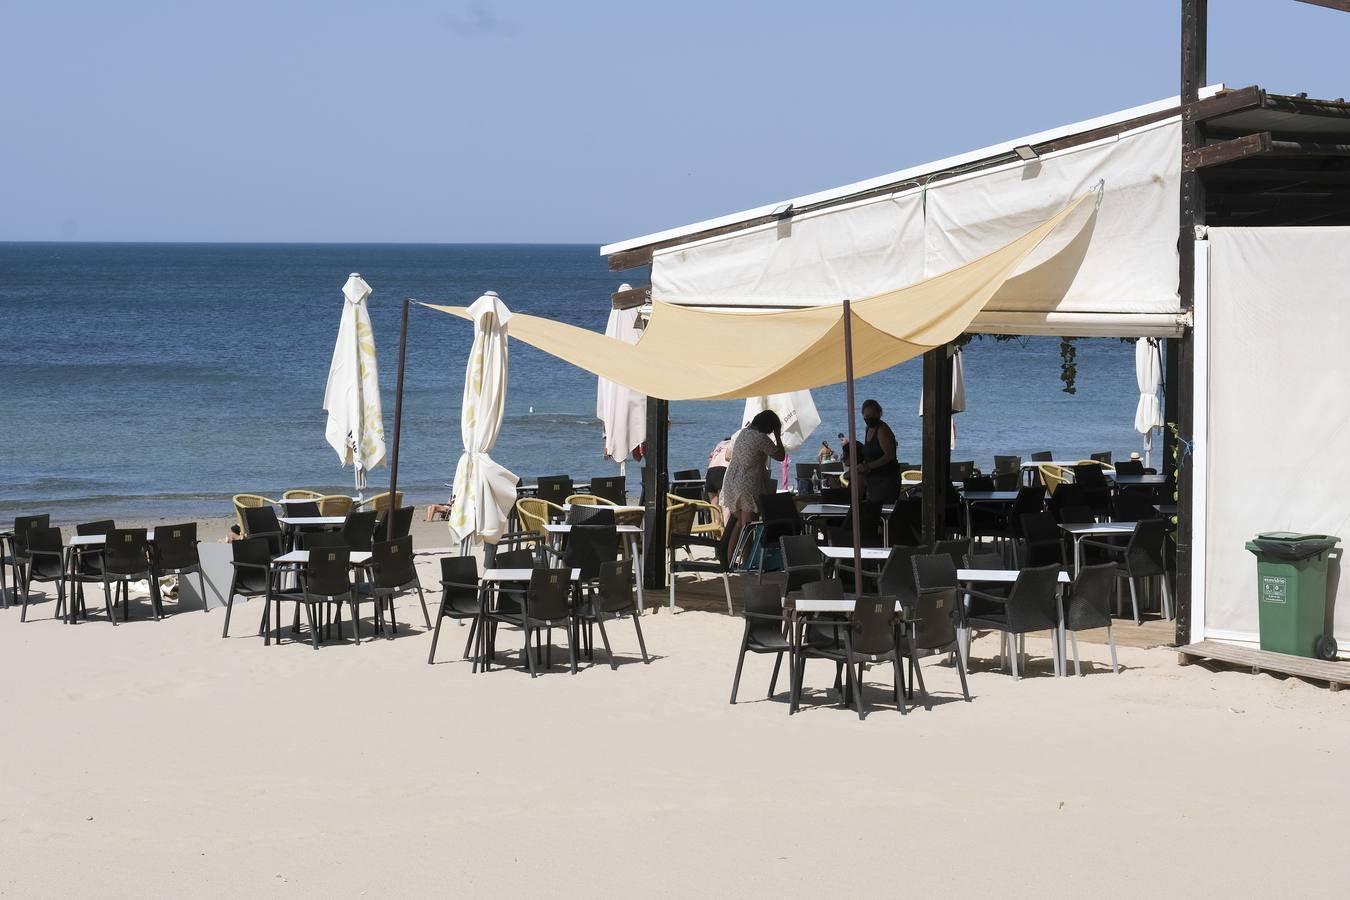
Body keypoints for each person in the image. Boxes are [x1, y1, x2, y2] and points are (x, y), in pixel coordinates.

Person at [719, 411, 786, 564]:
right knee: (747, 527)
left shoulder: (744, 433)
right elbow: (780, 456)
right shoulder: (761, 438)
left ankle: (731, 562)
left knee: (739, 523)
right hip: (747, 485)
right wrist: (777, 435)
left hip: (732, 481)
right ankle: (744, 561)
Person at [857, 399, 901, 503]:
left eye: (872, 416)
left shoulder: (882, 429)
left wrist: (868, 466)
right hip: (872, 480)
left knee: (879, 511)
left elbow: (889, 455)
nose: (869, 419)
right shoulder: (868, 428)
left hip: (885, 479)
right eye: (867, 416)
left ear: (879, 414)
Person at [705, 434, 734, 508]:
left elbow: (710, 457)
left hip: (710, 471)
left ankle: (716, 520)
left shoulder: (719, 445)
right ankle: (725, 519)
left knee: (715, 507)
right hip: (722, 470)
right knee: (725, 506)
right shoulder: (732, 444)